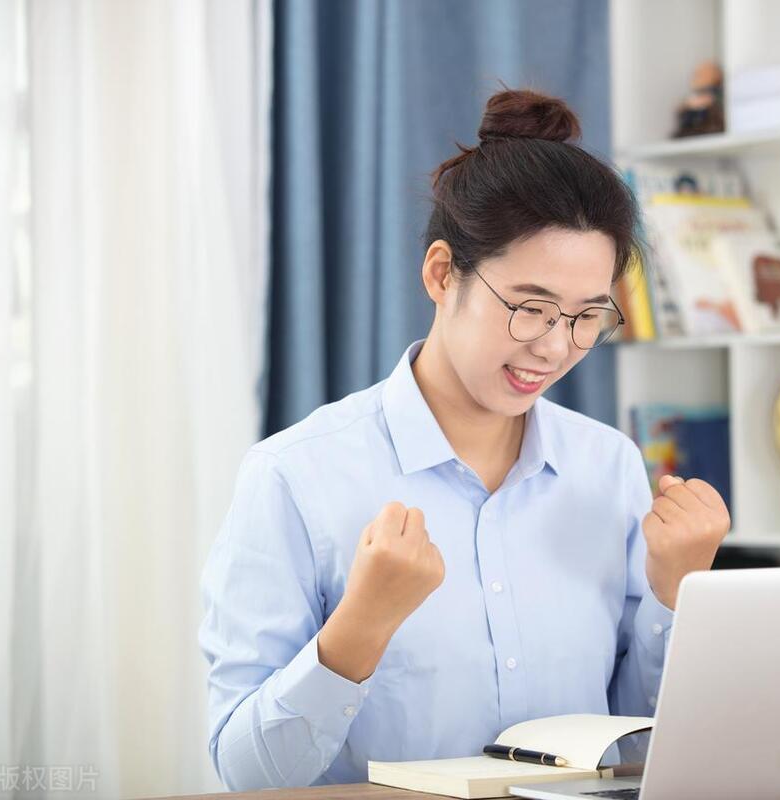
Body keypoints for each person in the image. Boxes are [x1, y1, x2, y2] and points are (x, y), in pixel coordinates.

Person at [197, 87, 731, 791]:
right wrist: (360, 626)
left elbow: (632, 745)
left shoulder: (608, 466)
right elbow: (246, 774)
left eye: (586, 316)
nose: (554, 347)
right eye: (531, 307)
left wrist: (676, 590)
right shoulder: (295, 476)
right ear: (443, 273)